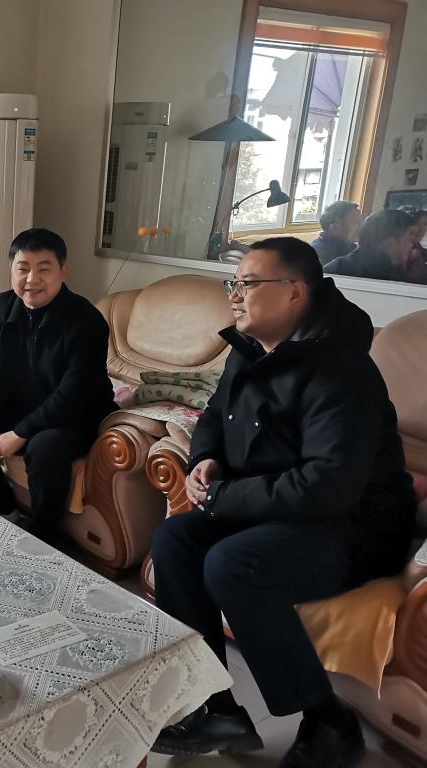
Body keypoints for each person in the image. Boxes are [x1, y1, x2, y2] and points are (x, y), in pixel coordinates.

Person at [150, 237, 415, 767]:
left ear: (295, 292)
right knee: (175, 538)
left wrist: (224, 495)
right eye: (233, 283)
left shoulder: (341, 370)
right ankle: (215, 707)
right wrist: (207, 459)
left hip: (353, 527)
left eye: (248, 283)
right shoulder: (249, 350)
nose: (234, 294)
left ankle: (328, 720)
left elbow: (328, 485)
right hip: (276, 509)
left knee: (233, 563)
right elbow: (214, 416)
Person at [0, 227, 116, 538]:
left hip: (74, 415)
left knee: (44, 447)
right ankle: (3, 510)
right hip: (21, 405)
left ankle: (43, 534)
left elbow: (74, 393)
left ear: (63, 271)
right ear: (11, 270)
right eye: (23, 268)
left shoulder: (87, 320)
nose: (31, 279)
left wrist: (20, 433)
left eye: (44, 268)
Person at [323, 208, 416, 282]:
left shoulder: (396, 269)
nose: (412, 245)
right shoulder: (337, 272)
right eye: (410, 238)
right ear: (389, 244)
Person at [309, 200, 360, 266]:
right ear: (335, 227)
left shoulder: (350, 247)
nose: (361, 226)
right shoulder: (317, 254)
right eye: (355, 221)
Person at [398, 206, 427, 284]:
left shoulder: (420, 250)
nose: (421, 229)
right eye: (417, 223)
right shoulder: (400, 253)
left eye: (425, 224)